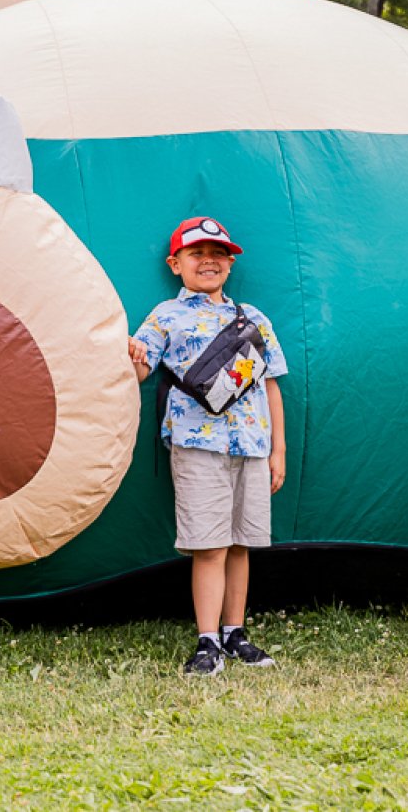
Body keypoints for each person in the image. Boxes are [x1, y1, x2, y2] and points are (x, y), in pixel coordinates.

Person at [127, 217, 288, 677]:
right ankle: (207, 641)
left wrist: (278, 451)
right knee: (210, 546)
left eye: (218, 254)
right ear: (176, 264)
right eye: (197, 254)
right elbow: (141, 373)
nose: (209, 262)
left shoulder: (253, 319)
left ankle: (236, 633)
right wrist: (135, 359)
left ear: (231, 264)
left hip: (253, 446)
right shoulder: (165, 317)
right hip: (198, 446)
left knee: (241, 544)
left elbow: (271, 386)